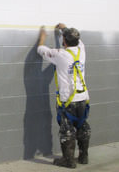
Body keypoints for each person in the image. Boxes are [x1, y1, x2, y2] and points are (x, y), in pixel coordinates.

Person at [37, 23, 91, 168]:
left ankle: (68, 161)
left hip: (68, 100)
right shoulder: (81, 49)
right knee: (82, 126)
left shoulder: (60, 54)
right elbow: (75, 40)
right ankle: (83, 156)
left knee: (67, 130)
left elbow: (41, 50)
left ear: (64, 41)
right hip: (83, 98)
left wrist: (42, 38)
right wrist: (64, 28)